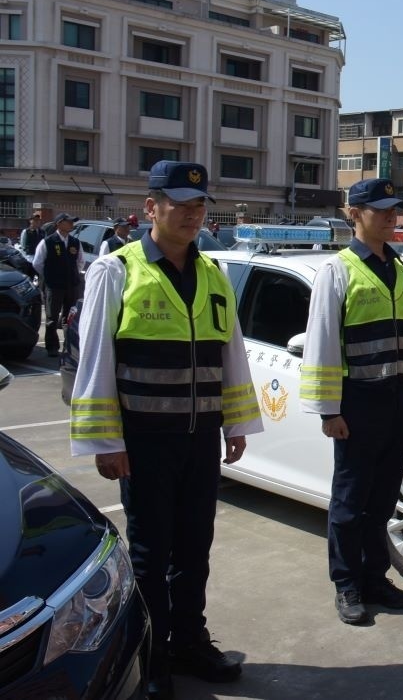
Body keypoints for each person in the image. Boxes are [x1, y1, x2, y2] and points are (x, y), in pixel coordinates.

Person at [69, 161, 263, 698]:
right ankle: (153, 655)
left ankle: (190, 642)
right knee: (152, 554)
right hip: (145, 442)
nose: (192, 214)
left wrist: (237, 423)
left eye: (200, 205)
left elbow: (232, 355)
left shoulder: (213, 273)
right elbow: (96, 361)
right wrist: (106, 442)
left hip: (200, 438)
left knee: (194, 548)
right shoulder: (117, 269)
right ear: (151, 208)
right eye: (181, 204)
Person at [300, 178, 403, 626]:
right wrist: (329, 410)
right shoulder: (339, 270)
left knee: (384, 498)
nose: (392, 217)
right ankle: (347, 584)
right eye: (382, 210)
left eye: (395, 210)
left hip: (394, 401)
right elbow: (322, 342)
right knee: (350, 502)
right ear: (356, 214)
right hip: (357, 402)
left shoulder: (402, 269)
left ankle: (376, 577)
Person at [32, 212, 84, 357]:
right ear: (59, 223)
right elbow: (37, 263)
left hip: (71, 285)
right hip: (54, 286)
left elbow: (80, 262)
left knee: (70, 317)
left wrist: (73, 274)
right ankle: (52, 347)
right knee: (52, 317)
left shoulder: (75, 242)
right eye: (68, 222)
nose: (71, 224)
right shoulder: (48, 242)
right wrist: (50, 276)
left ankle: (68, 345)